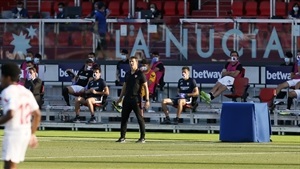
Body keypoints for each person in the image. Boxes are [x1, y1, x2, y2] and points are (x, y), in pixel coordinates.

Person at [0, 63, 41, 169]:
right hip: (25, 132)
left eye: (2, 77)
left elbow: (11, 114)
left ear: (7, 78)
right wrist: (32, 134)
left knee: (9, 165)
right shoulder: (25, 91)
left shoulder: (7, 92)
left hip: (13, 133)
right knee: (12, 164)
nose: (1, 79)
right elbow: (37, 114)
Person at [115, 56, 150, 143]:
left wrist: (147, 100)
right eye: (130, 61)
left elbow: (146, 87)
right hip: (127, 98)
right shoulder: (127, 74)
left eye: (133, 61)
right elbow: (124, 86)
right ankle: (122, 137)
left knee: (139, 118)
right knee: (124, 118)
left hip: (136, 99)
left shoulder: (140, 74)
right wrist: (120, 98)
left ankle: (142, 137)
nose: (131, 63)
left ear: (136, 63)